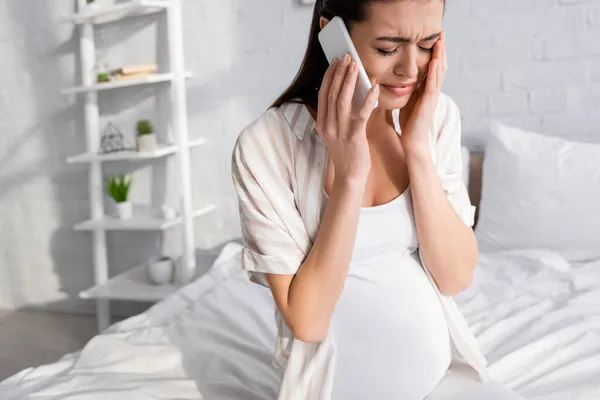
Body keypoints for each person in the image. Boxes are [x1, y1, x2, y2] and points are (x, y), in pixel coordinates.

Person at [231, 0, 527, 399]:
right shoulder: (267, 145)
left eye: (427, 45)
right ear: (332, 33)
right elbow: (309, 321)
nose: (410, 69)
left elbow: (455, 275)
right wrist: (350, 175)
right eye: (388, 48)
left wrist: (417, 147)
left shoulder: (435, 117)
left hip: (444, 383)